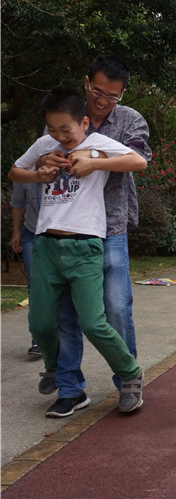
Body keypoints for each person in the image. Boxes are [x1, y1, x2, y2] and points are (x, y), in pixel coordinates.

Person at [9, 87, 147, 416]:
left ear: (83, 123)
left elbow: (138, 161)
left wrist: (95, 162)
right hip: (45, 244)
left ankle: (130, 373)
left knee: (93, 322)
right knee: (41, 323)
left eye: (65, 130)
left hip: (86, 245)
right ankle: (57, 369)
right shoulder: (45, 146)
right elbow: (16, 171)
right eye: (53, 130)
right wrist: (38, 173)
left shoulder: (96, 144)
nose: (59, 137)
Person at [9, 181, 41, 356]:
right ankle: (38, 340)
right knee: (35, 285)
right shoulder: (23, 169)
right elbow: (17, 202)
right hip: (32, 232)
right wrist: (16, 232)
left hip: (61, 233)